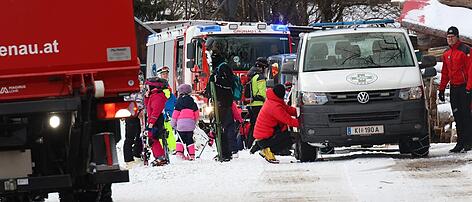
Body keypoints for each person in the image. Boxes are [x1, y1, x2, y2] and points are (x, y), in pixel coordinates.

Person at [439, 26, 472, 153]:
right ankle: (460, 142)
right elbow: (445, 73)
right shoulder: (446, 53)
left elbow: (470, 70)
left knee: (466, 115)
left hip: (465, 87)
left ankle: (469, 142)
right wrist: (441, 89)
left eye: (452, 37)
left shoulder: (466, 50)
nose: (450, 39)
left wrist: (469, 88)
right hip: (454, 88)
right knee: (457, 115)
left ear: (457, 37)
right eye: (448, 37)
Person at [250, 84, 299, 163]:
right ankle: (268, 150)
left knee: (289, 135)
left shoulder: (273, 100)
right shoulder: (274, 107)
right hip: (265, 139)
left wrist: (300, 112)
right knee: (294, 137)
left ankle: (266, 149)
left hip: (265, 137)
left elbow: (288, 109)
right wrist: (304, 123)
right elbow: (288, 120)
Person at [205, 37, 235, 161]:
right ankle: (222, 151)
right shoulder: (217, 69)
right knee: (219, 127)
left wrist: (217, 81)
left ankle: (227, 152)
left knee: (224, 127)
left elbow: (228, 84)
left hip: (223, 102)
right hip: (218, 102)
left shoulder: (224, 67)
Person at [144, 77, 171, 166]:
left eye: (148, 86)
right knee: (152, 138)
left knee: (153, 138)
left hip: (156, 121)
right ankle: (159, 156)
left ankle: (160, 157)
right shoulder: (153, 95)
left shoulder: (158, 96)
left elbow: (156, 111)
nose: (147, 88)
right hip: (153, 120)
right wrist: (146, 97)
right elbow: (148, 106)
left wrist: (151, 123)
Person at [171, 84, 199, 160]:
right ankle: (191, 155)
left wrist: (173, 123)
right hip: (190, 124)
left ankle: (179, 153)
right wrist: (195, 121)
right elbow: (196, 114)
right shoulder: (193, 103)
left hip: (181, 125)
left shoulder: (179, 103)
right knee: (190, 139)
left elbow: (175, 114)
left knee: (180, 139)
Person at [245, 57, 268, 148]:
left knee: (253, 125)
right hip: (259, 104)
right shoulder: (260, 77)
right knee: (259, 126)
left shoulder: (252, 75)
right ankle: (253, 145)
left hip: (252, 104)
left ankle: (248, 144)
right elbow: (263, 93)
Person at [158, 66, 178, 153]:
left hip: (168, 112)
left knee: (168, 130)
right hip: (163, 112)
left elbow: (171, 98)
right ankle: (164, 148)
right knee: (162, 131)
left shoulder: (166, 84)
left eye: (166, 74)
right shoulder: (160, 86)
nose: (165, 75)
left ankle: (171, 147)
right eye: (163, 74)